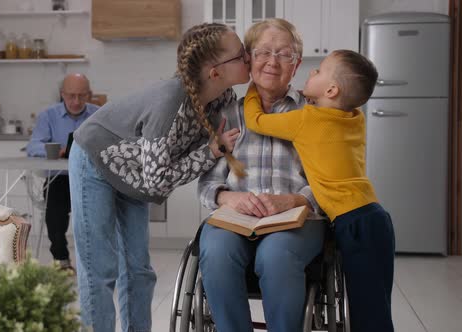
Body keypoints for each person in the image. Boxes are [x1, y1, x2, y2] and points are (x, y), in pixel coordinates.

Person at [68, 23, 251, 332]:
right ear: (214, 71)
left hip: (134, 176)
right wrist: (209, 153)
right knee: (100, 268)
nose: (248, 58)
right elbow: (157, 181)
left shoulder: (222, 98)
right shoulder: (171, 102)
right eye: (241, 55)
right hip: (96, 161)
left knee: (139, 271)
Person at [244, 49, 396, 332]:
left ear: (331, 89)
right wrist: (316, 97)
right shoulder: (354, 118)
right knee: (375, 304)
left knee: (366, 311)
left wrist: (253, 89)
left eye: (318, 71)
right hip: (375, 217)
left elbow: (256, 121)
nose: (311, 72)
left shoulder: (306, 120)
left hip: (353, 222)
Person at [198, 18, 326, 332]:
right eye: (264, 52)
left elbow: (328, 184)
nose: (272, 61)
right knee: (214, 251)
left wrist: (293, 200)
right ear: (249, 60)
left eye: (284, 54)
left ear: (295, 66)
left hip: (298, 219)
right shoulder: (227, 114)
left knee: (277, 255)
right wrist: (229, 197)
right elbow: (208, 184)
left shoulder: (314, 115)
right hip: (236, 219)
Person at [26, 73, 99, 271]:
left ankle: (95, 264)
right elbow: (33, 146)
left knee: (98, 218)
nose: (76, 101)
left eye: (82, 96)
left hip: (91, 178)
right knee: (55, 217)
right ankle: (61, 261)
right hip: (59, 179)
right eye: (71, 96)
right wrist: (56, 151)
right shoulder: (48, 116)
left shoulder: (98, 114)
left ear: (89, 95)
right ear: (62, 94)